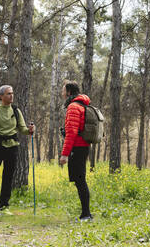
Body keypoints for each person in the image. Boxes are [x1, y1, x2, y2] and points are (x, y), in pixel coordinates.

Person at [0, 85, 35, 215]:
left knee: (8, 177)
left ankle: (4, 206)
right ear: (1, 97)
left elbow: (22, 129)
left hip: (12, 147)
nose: (11, 96)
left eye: (12, 93)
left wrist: (30, 130)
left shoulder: (16, 111)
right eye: (8, 94)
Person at [59, 80, 93, 221]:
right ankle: (85, 213)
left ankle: (86, 214)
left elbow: (72, 132)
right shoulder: (83, 105)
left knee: (80, 180)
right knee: (80, 180)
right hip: (83, 146)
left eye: (63, 90)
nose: (62, 93)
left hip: (77, 147)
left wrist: (64, 154)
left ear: (69, 92)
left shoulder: (73, 106)